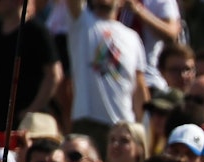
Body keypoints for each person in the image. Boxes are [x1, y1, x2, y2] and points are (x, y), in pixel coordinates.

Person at [62, 0, 145, 145]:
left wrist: (141, 127)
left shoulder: (133, 37)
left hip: (124, 125)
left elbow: (139, 87)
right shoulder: (82, 22)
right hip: (88, 123)